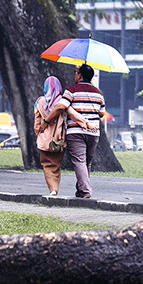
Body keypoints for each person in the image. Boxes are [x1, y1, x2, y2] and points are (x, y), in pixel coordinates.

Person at [33, 76, 89, 195]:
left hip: (43, 140)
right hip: (58, 139)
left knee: (47, 166)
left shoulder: (39, 102)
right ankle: (55, 188)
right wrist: (84, 123)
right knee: (56, 166)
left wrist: (39, 131)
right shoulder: (62, 101)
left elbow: (37, 122)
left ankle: (53, 189)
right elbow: (72, 114)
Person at [59, 63, 106, 198]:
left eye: (76, 72)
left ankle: (85, 191)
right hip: (93, 133)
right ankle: (81, 190)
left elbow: (63, 106)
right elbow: (101, 113)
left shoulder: (71, 90)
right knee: (86, 162)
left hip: (75, 132)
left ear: (79, 74)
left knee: (79, 161)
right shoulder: (98, 93)